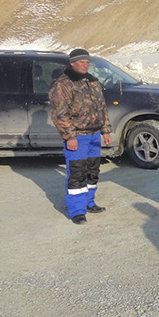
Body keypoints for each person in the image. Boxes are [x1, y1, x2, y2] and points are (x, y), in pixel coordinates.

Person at [49, 49, 113, 225]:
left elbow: (102, 107)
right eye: (81, 62)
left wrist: (106, 130)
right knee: (77, 172)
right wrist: (70, 137)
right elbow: (60, 113)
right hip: (78, 136)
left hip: (94, 134)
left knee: (92, 171)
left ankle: (89, 202)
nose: (85, 65)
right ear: (72, 63)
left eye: (87, 62)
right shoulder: (63, 84)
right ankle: (77, 211)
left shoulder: (92, 81)